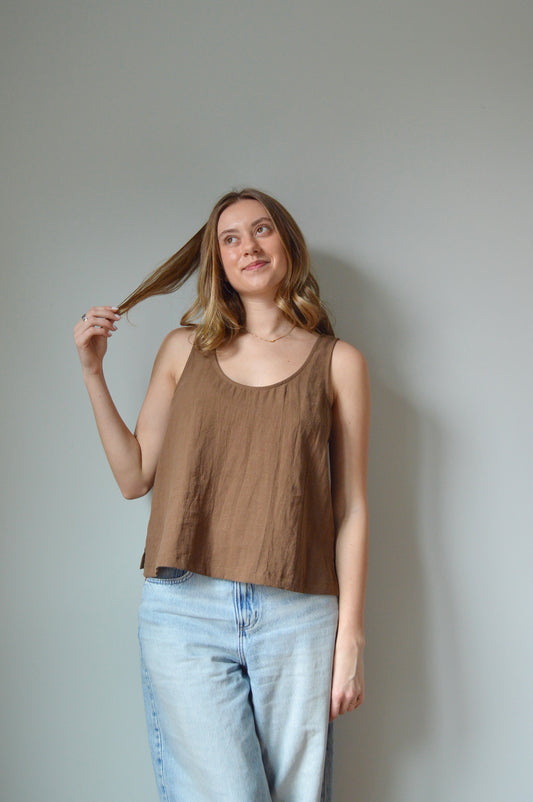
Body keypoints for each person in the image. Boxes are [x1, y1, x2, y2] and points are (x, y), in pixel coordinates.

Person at [73, 187, 370, 802]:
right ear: (217, 263)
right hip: (186, 611)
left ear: (286, 242)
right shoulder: (185, 351)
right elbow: (133, 477)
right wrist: (93, 373)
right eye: (229, 238)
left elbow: (352, 509)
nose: (248, 246)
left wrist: (350, 638)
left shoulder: (339, 363)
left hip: (299, 615)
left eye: (261, 230)